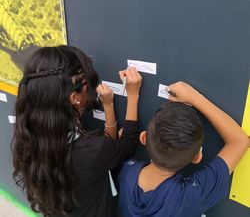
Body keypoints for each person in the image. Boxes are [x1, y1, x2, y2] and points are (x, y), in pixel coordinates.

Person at [11, 45, 142, 217]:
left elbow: (102, 153)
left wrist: (108, 106)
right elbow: (127, 144)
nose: (90, 89)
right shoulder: (90, 151)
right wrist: (133, 95)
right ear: (74, 98)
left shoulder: (30, 132)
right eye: (87, 85)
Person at [118, 81, 249, 217]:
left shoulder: (126, 171)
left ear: (144, 138)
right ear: (197, 157)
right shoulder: (190, 196)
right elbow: (240, 141)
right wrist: (194, 98)